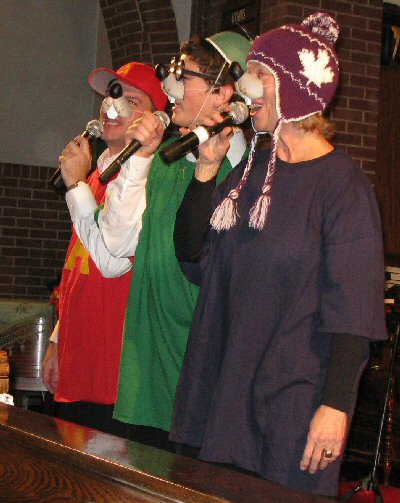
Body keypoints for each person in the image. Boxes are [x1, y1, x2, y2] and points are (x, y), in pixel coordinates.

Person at [170, 13, 387, 497]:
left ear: (295, 88)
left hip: (289, 405)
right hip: (223, 392)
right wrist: (205, 172)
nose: (245, 88)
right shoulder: (252, 171)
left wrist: (335, 407)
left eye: (258, 75)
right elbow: (191, 254)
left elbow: (354, 311)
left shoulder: (342, 187)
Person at [94, 32, 251, 446]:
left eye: (185, 76)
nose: (172, 87)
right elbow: (116, 244)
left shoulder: (243, 172)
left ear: (223, 93)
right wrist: (139, 158)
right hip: (146, 368)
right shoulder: (164, 159)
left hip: (196, 373)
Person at [42, 62, 168, 437]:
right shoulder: (95, 175)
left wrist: (75, 186)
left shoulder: (148, 181)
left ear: (154, 120)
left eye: (132, 100)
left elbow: (112, 261)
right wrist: (58, 338)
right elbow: (79, 265)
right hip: (78, 361)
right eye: (112, 94)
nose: (114, 105)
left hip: (116, 374)